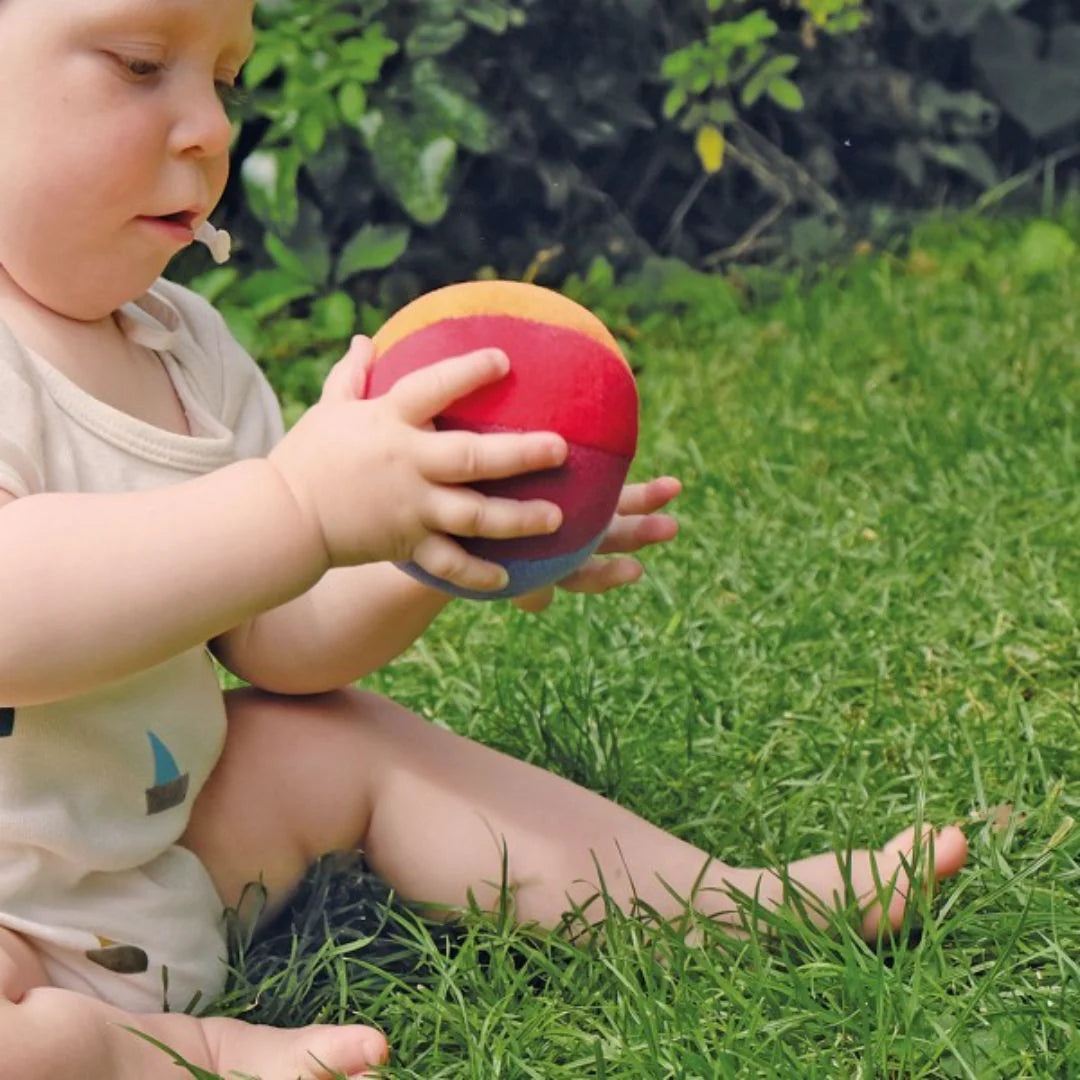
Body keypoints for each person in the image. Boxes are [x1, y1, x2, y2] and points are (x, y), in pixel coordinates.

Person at [0, 1, 968, 1077]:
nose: (211, 127)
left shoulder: (192, 355)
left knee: (326, 738)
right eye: (141, 65)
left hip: (151, 873)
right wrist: (295, 508)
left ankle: (720, 905)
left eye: (225, 80)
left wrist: (430, 537)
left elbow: (280, 640)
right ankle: (143, 1055)